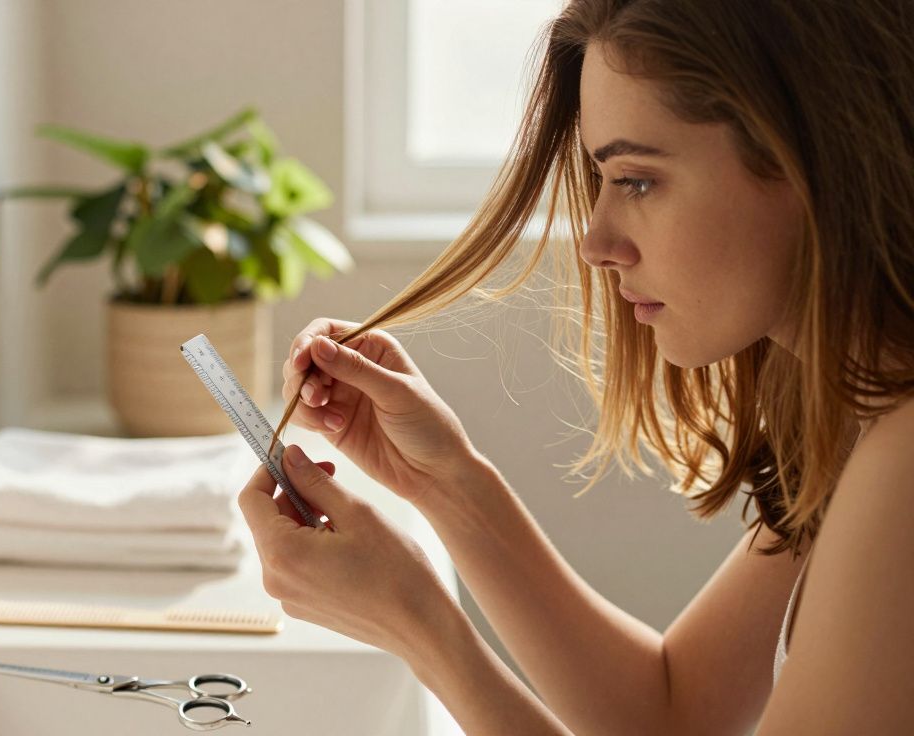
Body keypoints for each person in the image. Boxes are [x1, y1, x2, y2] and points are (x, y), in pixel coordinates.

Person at [235, 1, 914, 733]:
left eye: (638, 180)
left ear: (809, 157)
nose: (595, 241)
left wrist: (422, 629)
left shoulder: (903, 465)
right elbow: (671, 712)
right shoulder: (860, 418)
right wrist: (446, 482)